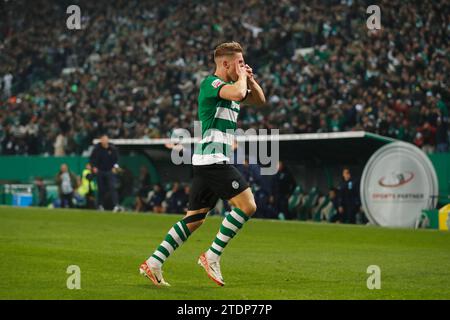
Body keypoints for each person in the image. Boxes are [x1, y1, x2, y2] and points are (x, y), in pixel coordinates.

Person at [139, 42, 266, 287]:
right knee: (248, 205)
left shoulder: (234, 86)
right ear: (225, 64)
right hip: (212, 159)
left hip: (207, 161)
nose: (242, 66)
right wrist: (241, 80)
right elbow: (239, 95)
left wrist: (250, 79)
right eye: (239, 62)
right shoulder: (212, 84)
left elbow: (259, 101)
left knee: (195, 219)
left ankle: (154, 262)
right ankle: (212, 256)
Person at [89, 134, 121, 212]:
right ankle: (100, 205)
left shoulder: (112, 149)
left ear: (108, 140)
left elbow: (116, 160)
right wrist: (94, 167)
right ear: (101, 140)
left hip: (110, 171)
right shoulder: (97, 149)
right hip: (100, 171)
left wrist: (115, 167)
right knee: (101, 189)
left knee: (113, 188)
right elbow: (92, 159)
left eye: (105, 139)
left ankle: (116, 206)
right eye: (102, 139)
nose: (104, 141)